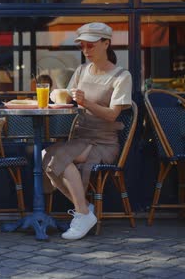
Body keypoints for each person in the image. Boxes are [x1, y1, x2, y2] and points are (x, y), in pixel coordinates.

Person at [42, 22, 132, 240]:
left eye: (90, 46)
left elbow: (113, 115)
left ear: (106, 43)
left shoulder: (121, 76)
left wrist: (87, 102)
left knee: (58, 156)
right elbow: (70, 98)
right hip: (80, 138)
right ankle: (84, 209)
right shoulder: (81, 71)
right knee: (46, 155)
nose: (85, 51)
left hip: (104, 143)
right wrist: (56, 95)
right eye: (82, 47)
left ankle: (82, 213)